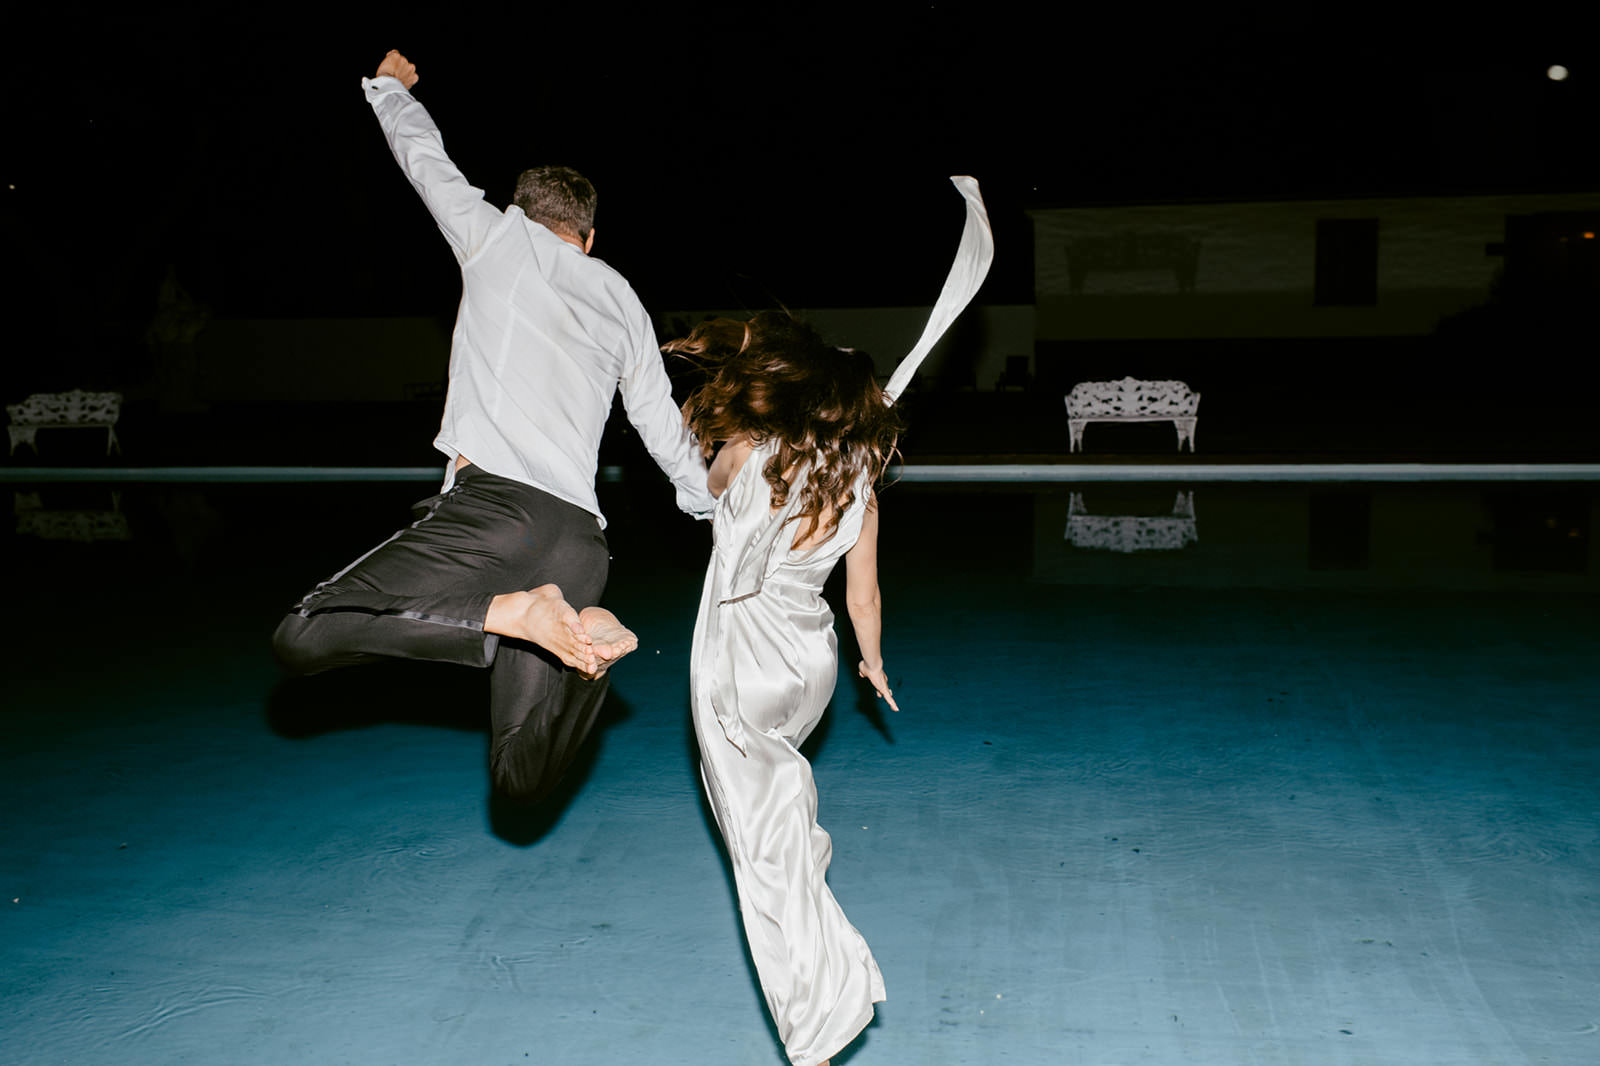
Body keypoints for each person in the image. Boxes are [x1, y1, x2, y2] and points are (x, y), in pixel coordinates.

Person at [271, 50, 715, 806]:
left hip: (493, 515)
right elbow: (663, 432)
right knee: (519, 780)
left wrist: (388, 90)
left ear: (522, 212)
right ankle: (588, 632)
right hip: (581, 546)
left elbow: (425, 161)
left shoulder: (497, 238)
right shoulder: (624, 300)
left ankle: (514, 614)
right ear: (590, 235)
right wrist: (721, 507)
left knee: (306, 631)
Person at [670, 312, 901, 1066]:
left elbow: (698, 485)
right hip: (812, 669)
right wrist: (874, 664)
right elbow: (862, 597)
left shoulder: (746, 453)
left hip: (740, 666)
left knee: (762, 857)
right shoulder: (861, 484)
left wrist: (703, 421)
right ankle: (816, 932)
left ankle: (818, 1024)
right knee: (778, 825)